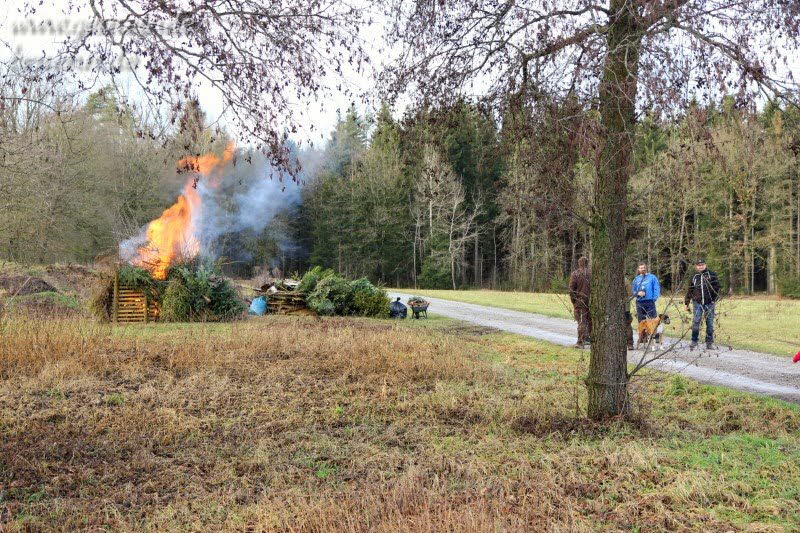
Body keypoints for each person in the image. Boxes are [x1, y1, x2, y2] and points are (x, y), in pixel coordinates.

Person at [684, 258, 721, 349]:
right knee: (696, 321)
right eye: (699, 265)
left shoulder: (712, 274)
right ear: (696, 266)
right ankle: (694, 341)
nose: (701, 266)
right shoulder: (694, 276)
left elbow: (717, 288)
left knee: (710, 323)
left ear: (705, 265)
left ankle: (709, 343)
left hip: (709, 303)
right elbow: (690, 289)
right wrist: (687, 302)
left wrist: (714, 300)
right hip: (697, 302)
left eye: (702, 265)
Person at [568, 256, 591, 348]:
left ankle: (580, 342)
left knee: (582, 321)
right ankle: (590, 340)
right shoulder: (592, 273)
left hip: (580, 301)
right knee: (591, 321)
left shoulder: (575, 274)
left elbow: (571, 289)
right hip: (592, 301)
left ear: (579, 263)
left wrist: (574, 300)